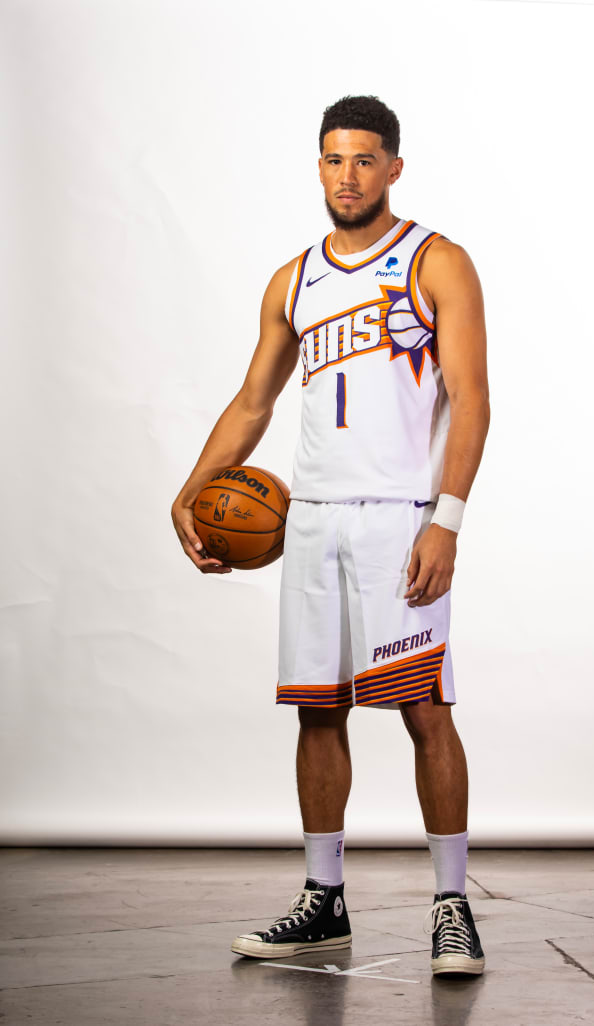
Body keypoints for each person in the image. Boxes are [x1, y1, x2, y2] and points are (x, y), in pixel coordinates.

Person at [171, 95, 490, 978]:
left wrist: (447, 519)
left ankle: (454, 908)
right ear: (318, 167)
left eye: (364, 159)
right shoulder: (294, 278)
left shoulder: (438, 262)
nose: (347, 175)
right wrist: (192, 491)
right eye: (332, 159)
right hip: (310, 520)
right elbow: (253, 402)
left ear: (393, 168)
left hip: (399, 520)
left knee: (425, 711)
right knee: (319, 710)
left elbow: (472, 398)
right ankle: (323, 903)